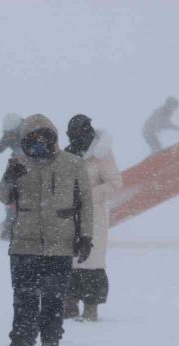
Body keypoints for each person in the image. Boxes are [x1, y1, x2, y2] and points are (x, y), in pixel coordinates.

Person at [0, 114, 94, 346]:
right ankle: (21, 342)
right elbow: (3, 197)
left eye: (44, 138)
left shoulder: (72, 164)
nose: (39, 144)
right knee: (24, 297)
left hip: (60, 242)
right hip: (24, 243)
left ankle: (51, 341)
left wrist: (85, 236)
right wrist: (10, 177)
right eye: (33, 139)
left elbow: (85, 203)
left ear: (52, 138)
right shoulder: (18, 162)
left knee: (53, 297)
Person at [63, 115, 123, 321]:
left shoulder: (102, 155)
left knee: (90, 261)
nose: (73, 137)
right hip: (68, 216)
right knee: (68, 260)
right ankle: (68, 305)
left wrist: (87, 195)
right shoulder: (67, 154)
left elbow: (115, 184)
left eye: (76, 133)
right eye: (70, 134)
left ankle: (90, 308)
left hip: (94, 216)